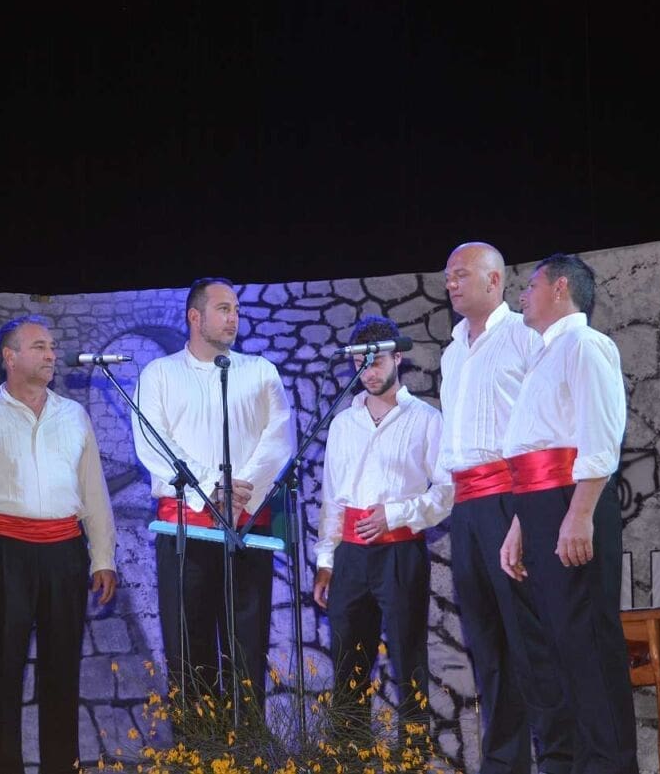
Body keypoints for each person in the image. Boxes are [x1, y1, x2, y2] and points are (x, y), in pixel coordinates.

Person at [500, 253, 638, 774]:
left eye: (530, 285)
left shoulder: (585, 344)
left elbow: (599, 435)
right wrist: (520, 524)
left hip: (570, 502)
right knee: (559, 647)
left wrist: (579, 515)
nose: (521, 295)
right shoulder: (544, 355)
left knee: (587, 644)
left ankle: (611, 765)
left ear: (560, 287)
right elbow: (537, 446)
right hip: (540, 507)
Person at [439, 242, 574, 773]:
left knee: (529, 638)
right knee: (487, 644)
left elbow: (549, 421)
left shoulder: (524, 335)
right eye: (448, 276)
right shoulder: (452, 351)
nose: (450, 283)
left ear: (494, 280)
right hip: (467, 507)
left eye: (461, 274)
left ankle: (560, 759)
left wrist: (527, 511)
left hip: (514, 499)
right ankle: (504, 764)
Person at [0, 315, 117, 774]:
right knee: (0, 672)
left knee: (62, 671)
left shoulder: (74, 415)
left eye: (51, 347)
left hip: (64, 555)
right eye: (39, 347)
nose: (51, 354)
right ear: (9, 356)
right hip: (1, 554)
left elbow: (94, 491)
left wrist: (103, 557)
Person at [132, 277, 295, 704]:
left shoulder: (260, 371)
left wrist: (240, 492)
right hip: (186, 530)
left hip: (247, 527)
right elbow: (155, 443)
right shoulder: (160, 374)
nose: (233, 318)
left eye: (236, 310)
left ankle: (249, 741)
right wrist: (211, 487)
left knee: (247, 649)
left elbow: (279, 439)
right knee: (190, 651)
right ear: (194, 316)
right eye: (224, 309)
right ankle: (198, 741)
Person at [312, 315, 451, 738]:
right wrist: (325, 560)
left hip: (400, 551)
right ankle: (350, 754)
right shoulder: (342, 423)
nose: (368, 372)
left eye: (376, 362)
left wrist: (395, 514)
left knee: (409, 659)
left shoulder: (425, 419)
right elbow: (333, 496)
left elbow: (447, 491)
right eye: (361, 363)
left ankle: (413, 755)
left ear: (397, 358)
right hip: (350, 556)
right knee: (348, 663)